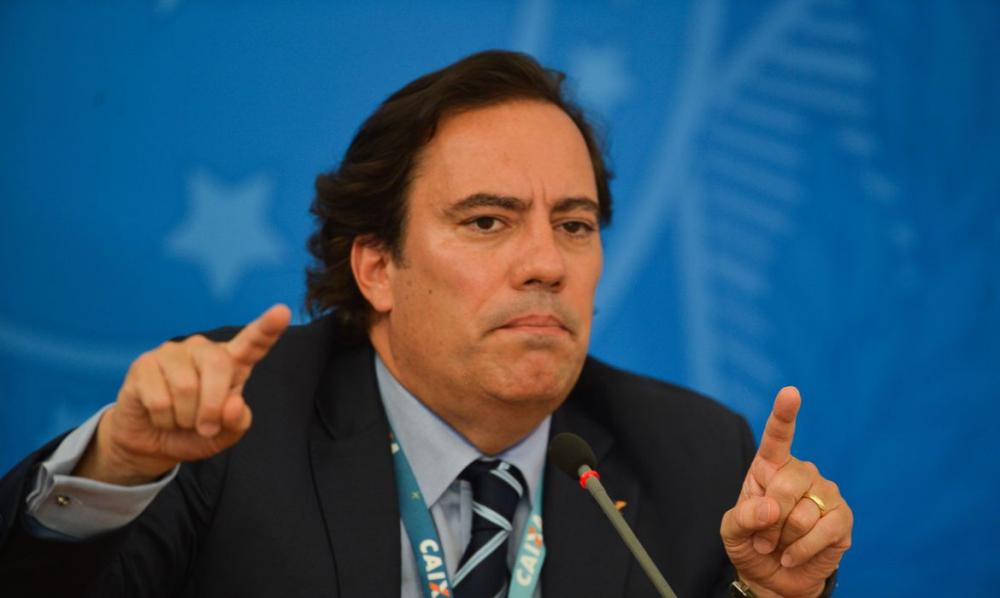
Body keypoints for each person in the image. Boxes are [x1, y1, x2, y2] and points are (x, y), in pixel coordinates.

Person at [0, 50, 852, 597]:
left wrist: (771, 596)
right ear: (377, 267)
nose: (546, 263)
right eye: (487, 221)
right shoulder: (234, 422)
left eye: (575, 224)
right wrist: (119, 469)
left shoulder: (697, 458)